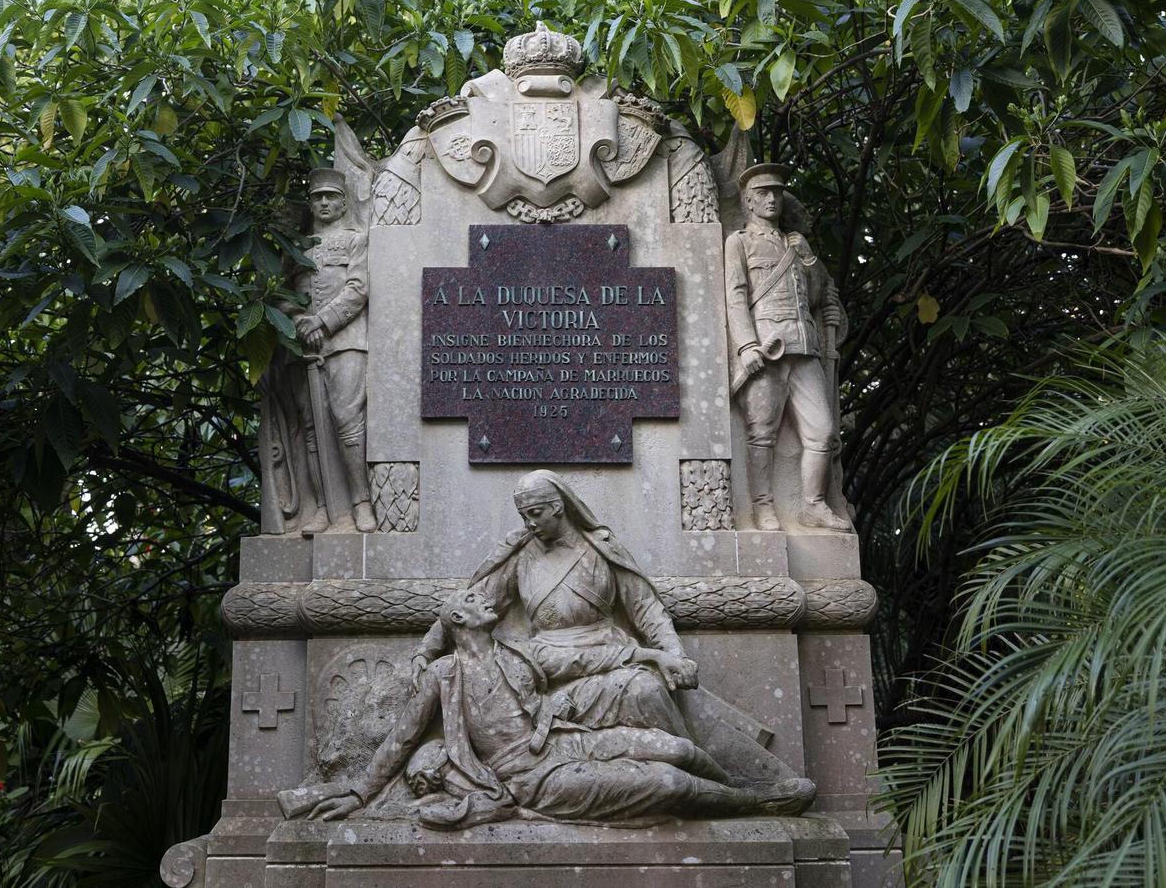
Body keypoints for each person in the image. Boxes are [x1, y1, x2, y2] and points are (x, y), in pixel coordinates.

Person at [297, 588, 815, 826]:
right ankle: (757, 808)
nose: (488, 601)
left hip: (566, 739)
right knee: (666, 782)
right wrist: (359, 791)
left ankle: (747, 787)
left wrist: (650, 654)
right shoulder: (443, 675)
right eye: (477, 600)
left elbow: (587, 661)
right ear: (459, 616)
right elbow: (402, 740)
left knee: (676, 747)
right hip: (529, 777)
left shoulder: (520, 650)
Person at [410, 470, 698, 736]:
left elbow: (646, 608)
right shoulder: (520, 554)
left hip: (608, 653)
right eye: (524, 517)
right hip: (545, 667)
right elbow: (468, 605)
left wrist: (675, 654)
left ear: (558, 507)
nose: (529, 524)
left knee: (647, 690)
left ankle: (686, 771)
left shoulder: (601, 547)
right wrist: (426, 651)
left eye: (535, 514)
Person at [724, 162, 849, 531]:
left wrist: (808, 259)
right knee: (762, 431)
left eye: (776, 193)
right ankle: (763, 507)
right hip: (767, 347)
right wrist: (746, 345)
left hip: (804, 348)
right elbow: (735, 296)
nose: (771, 200)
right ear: (748, 201)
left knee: (823, 432)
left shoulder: (795, 243)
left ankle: (814, 505)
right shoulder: (740, 242)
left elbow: (813, 299)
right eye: (763, 194)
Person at [289, 167, 375, 533]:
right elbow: (283, 294)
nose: (323, 202)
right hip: (304, 348)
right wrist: (296, 320)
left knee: (346, 421)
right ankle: (325, 506)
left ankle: (361, 503)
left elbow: (358, 289)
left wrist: (320, 321)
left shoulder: (356, 239)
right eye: (317, 197)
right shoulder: (297, 247)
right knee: (311, 428)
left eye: (331, 197)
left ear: (343, 203)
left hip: (345, 342)